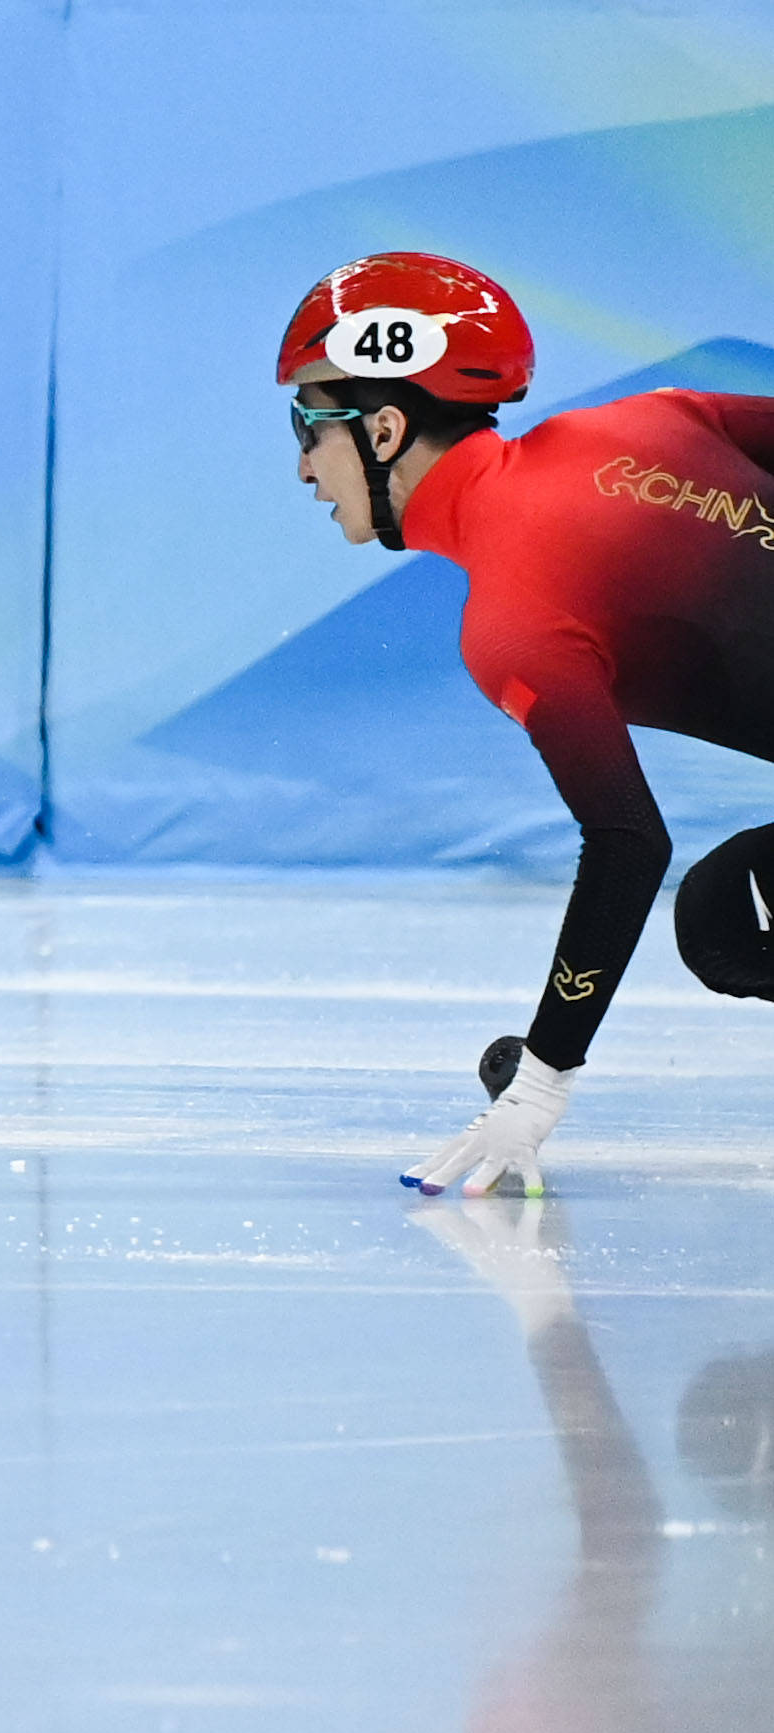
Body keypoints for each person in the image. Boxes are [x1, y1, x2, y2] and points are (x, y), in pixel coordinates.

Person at [273, 252, 774, 1195]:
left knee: (726, 924)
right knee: (747, 894)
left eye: (309, 423)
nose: (302, 463)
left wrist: (541, 1078)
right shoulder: (639, 421)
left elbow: (628, 844)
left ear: (383, 429)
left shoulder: (511, 621)